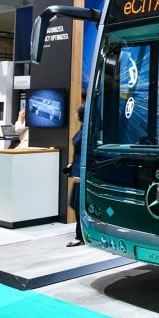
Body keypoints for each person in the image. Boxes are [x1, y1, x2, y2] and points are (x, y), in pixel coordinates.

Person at [63, 104, 85, 247]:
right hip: (76, 170)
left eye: (77, 113)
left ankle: (80, 236)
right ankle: (81, 233)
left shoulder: (88, 130)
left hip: (81, 174)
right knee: (74, 203)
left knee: (77, 205)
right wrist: (72, 164)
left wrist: (81, 172)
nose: (74, 115)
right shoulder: (83, 128)